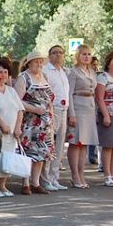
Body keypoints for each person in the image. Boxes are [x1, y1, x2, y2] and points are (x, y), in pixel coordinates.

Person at [14, 51, 55, 195]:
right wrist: (35, 109)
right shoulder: (23, 78)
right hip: (30, 122)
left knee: (41, 153)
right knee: (29, 152)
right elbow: (17, 100)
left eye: (40, 61)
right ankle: (25, 183)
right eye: (36, 61)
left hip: (45, 123)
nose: (39, 64)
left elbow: (49, 100)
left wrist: (51, 120)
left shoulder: (44, 77)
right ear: (29, 63)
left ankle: (36, 183)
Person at [0, 59, 25, 197]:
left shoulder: (11, 90)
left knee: (8, 158)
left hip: (12, 132)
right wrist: (2, 124)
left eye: (5, 72)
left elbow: (20, 109)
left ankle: (3, 185)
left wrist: (18, 127)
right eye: (0, 72)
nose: (3, 75)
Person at [66, 45, 99, 188]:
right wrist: (71, 114)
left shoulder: (92, 71)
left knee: (84, 143)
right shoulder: (73, 72)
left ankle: (82, 173)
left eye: (89, 54)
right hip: (78, 107)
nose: (87, 57)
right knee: (76, 142)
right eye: (84, 54)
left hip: (90, 107)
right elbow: (69, 93)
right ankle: (74, 175)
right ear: (78, 56)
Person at [40, 45, 70, 191]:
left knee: (59, 147)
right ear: (49, 55)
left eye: (60, 53)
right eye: (54, 53)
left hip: (64, 109)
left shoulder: (63, 71)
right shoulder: (46, 71)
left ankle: (54, 177)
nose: (58, 55)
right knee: (49, 144)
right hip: (52, 110)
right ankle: (45, 179)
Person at [95, 50, 113, 186]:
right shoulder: (103, 77)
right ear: (109, 62)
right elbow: (99, 98)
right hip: (107, 114)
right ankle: (107, 175)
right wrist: (106, 115)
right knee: (107, 146)